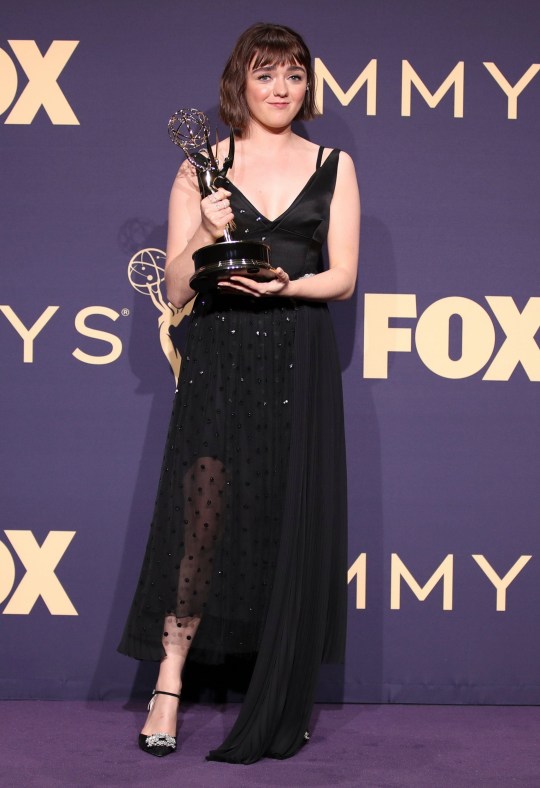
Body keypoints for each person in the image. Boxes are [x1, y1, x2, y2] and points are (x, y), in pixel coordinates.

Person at [118, 21, 360, 764]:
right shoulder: (204, 166)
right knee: (203, 522)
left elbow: (343, 276)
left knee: (288, 523)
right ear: (240, 85)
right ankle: (168, 680)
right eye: (266, 75)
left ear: (306, 86)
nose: (281, 89)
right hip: (221, 355)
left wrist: (288, 280)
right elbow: (177, 284)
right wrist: (202, 233)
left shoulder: (334, 164)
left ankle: (280, 688)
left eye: (293, 75)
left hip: (298, 356)